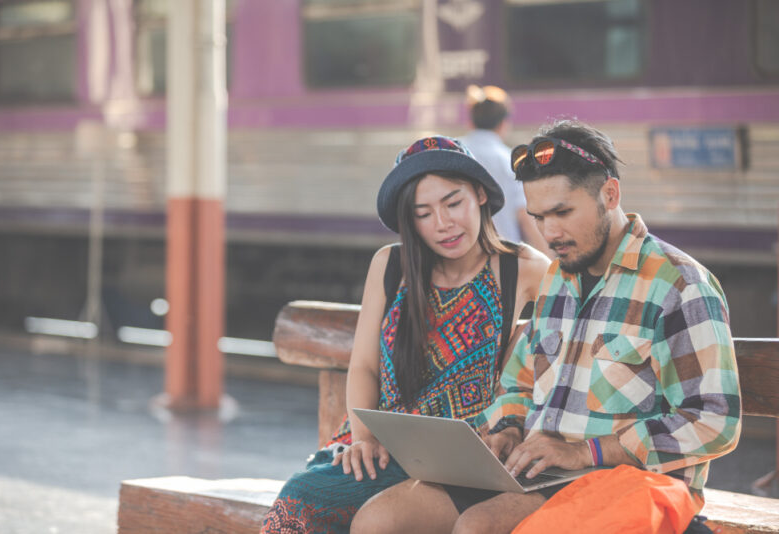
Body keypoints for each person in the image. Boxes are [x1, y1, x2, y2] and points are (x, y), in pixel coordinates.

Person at [449, 120, 742, 533]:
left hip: (636, 483)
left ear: (610, 193)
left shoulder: (679, 284)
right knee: (385, 519)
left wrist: (588, 452)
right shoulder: (557, 278)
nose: (549, 232)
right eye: (537, 217)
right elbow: (518, 384)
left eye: (562, 212)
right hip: (545, 472)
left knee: (476, 528)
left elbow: (714, 422)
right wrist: (510, 428)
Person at [260, 136, 550, 534]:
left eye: (453, 203)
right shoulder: (390, 264)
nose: (443, 223)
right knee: (301, 500)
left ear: (480, 194)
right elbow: (363, 366)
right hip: (379, 443)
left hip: (463, 460)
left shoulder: (525, 270)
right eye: (423, 213)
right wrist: (363, 439)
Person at [460, 85, 550, 256]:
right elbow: (525, 216)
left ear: (471, 121)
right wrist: (550, 260)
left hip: (462, 258)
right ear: (504, 123)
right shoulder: (510, 161)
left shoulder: (453, 153)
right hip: (502, 256)